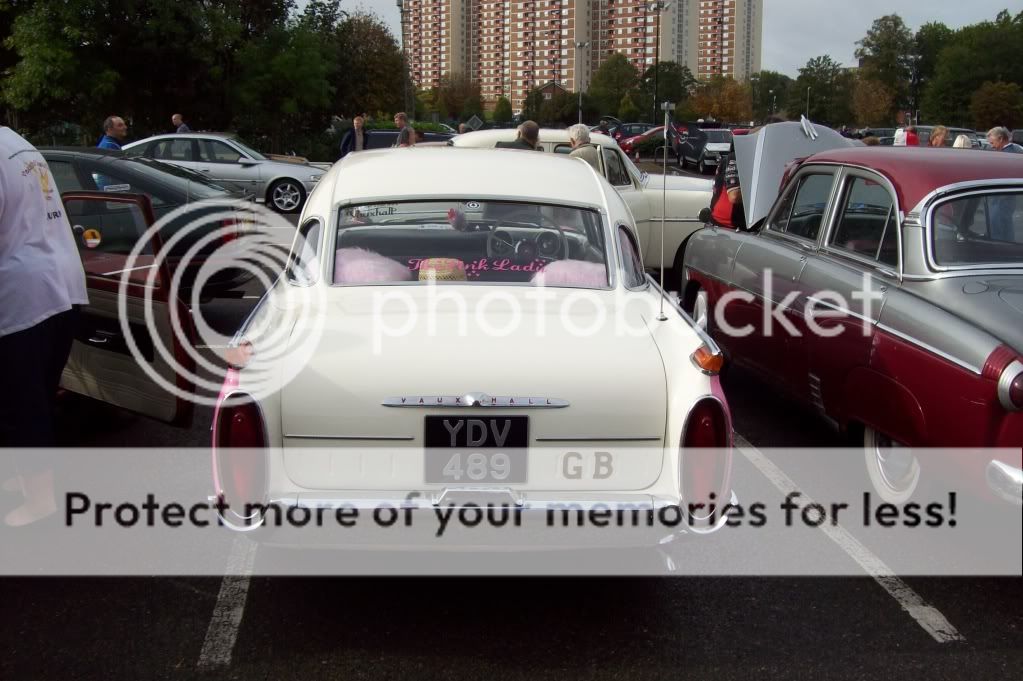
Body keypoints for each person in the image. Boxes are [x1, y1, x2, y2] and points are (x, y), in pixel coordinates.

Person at [0, 124, 89, 526]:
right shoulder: (15, 141)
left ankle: (40, 501)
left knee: (21, 401)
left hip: (22, 293)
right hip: (63, 280)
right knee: (35, 392)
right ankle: (22, 480)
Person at [709, 142, 745, 231]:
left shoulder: (731, 158)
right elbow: (734, 196)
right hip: (728, 225)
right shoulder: (736, 157)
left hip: (724, 222)